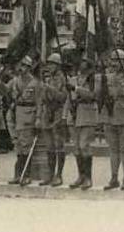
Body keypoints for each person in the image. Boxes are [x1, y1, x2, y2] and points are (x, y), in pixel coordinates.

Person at [100, 49, 124, 190]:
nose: (115, 63)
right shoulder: (107, 77)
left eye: (118, 60)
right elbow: (102, 96)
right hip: (110, 115)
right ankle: (114, 177)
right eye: (113, 60)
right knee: (113, 149)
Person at [7, 55, 40, 185]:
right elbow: (4, 91)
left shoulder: (35, 83)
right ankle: (18, 174)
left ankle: (26, 175)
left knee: (26, 146)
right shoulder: (14, 81)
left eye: (25, 66)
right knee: (18, 146)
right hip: (16, 114)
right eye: (21, 66)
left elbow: (39, 102)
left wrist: (38, 118)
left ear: (30, 68)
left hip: (28, 115)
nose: (22, 69)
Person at [67, 58, 99, 190]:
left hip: (88, 113)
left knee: (84, 145)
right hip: (74, 114)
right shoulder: (73, 79)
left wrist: (76, 88)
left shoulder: (94, 79)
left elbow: (92, 95)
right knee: (76, 147)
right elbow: (68, 98)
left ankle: (88, 178)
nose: (82, 64)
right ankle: (80, 176)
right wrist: (66, 115)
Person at [38, 53, 69, 187]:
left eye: (52, 64)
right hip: (47, 113)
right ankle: (50, 175)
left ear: (57, 65)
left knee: (59, 146)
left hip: (58, 112)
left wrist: (49, 88)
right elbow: (41, 99)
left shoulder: (62, 78)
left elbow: (62, 97)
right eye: (49, 64)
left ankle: (59, 175)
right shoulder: (46, 78)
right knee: (49, 147)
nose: (49, 66)